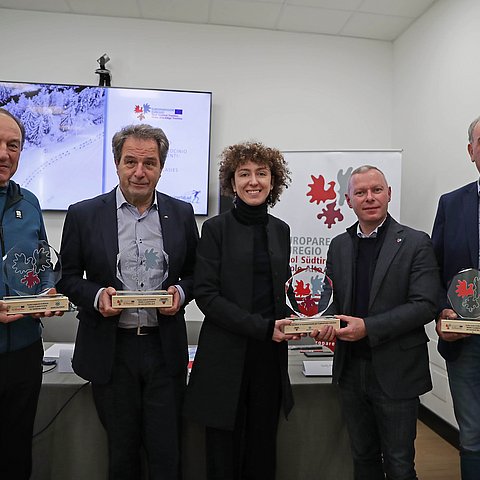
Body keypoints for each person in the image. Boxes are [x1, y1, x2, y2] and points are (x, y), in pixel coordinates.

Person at [56, 124, 199, 480]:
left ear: (161, 168)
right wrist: (95, 296)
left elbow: (199, 274)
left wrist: (180, 294)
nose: (139, 172)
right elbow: (66, 276)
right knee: (122, 454)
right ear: (117, 164)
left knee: (167, 453)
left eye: (149, 163)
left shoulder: (182, 213)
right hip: (111, 350)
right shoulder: (84, 213)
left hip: (163, 350)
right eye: (130, 161)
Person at [313, 165, 440, 480]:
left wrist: (368, 328)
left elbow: (425, 304)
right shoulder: (339, 245)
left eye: (376, 190)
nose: (369, 198)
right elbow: (331, 300)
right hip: (351, 371)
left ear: (389, 194)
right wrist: (321, 321)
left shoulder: (415, 242)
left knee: (398, 464)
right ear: (349, 199)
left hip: (396, 371)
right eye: (361, 192)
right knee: (363, 458)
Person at [183, 141, 297, 480]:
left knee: (263, 448)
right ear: (232, 183)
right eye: (244, 174)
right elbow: (206, 295)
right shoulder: (215, 229)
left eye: (262, 173)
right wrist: (261, 327)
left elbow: (280, 291)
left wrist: (296, 317)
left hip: (268, 357)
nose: (253, 181)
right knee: (223, 453)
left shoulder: (281, 230)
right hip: (225, 357)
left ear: (273, 181)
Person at [0, 108, 63, 479]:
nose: (5, 154)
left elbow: (42, 263)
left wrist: (48, 290)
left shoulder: (29, 203)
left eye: (14, 145)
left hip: (24, 353)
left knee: (16, 450)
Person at [432, 115, 480, 479]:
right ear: (471, 151)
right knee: (473, 436)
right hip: (467, 343)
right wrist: (441, 312)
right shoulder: (451, 204)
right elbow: (433, 271)